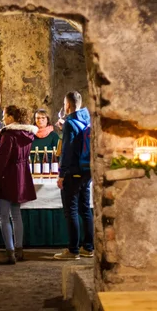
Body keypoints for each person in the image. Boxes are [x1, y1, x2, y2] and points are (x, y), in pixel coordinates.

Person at [0, 105, 37, 264]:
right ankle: (19, 250)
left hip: (6, 178)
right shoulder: (27, 134)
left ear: (11, 117)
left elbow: (1, 161)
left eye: (5, 116)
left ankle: (10, 253)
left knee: (3, 216)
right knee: (16, 215)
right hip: (20, 176)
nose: (3, 119)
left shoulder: (8, 135)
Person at [54, 91, 94, 260]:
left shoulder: (70, 123)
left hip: (73, 172)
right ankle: (89, 247)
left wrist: (62, 174)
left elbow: (68, 151)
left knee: (71, 211)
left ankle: (73, 250)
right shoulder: (86, 119)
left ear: (68, 105)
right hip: (86, 171)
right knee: (85, 210)